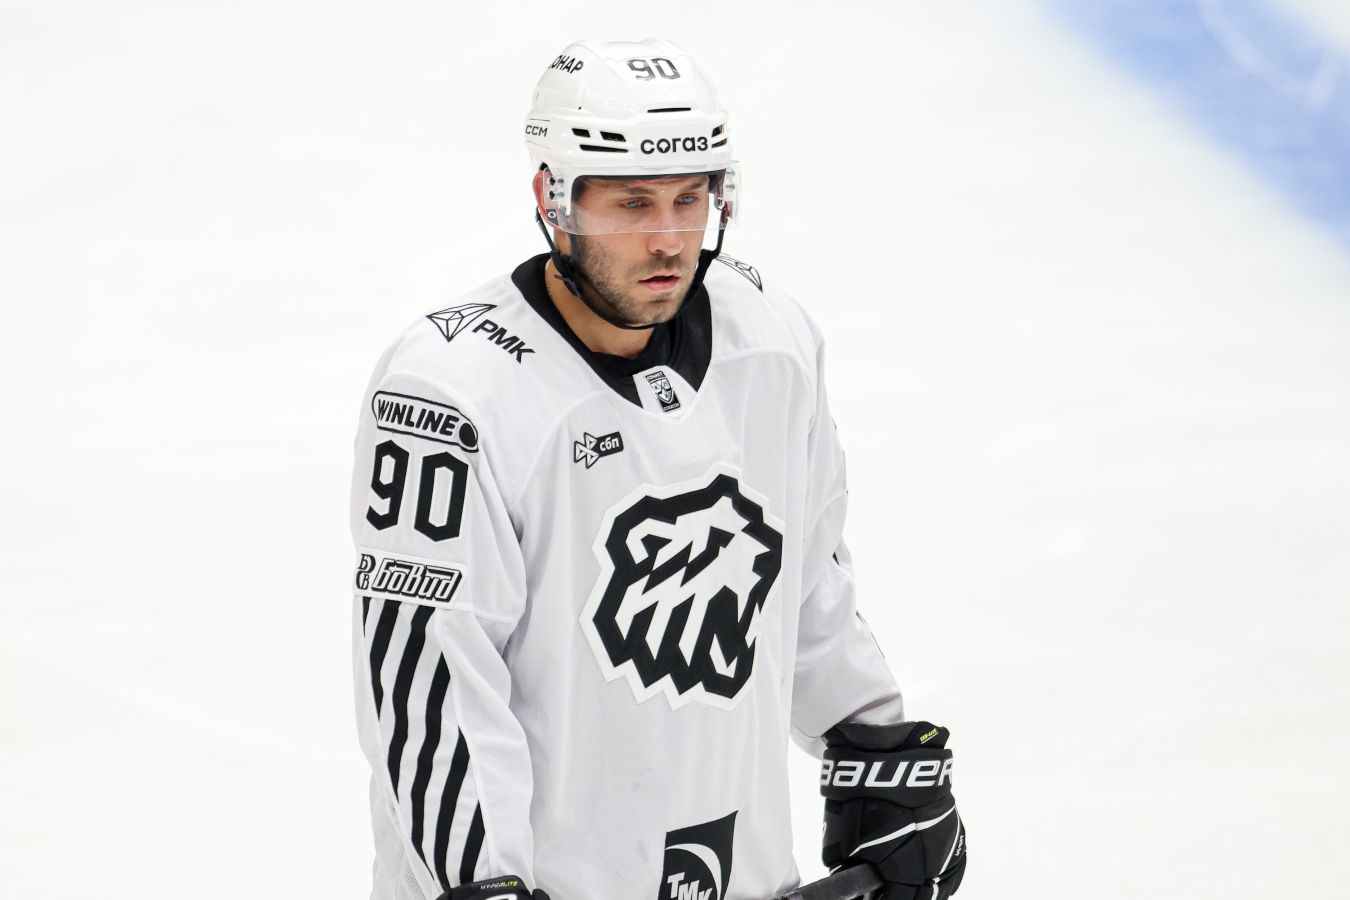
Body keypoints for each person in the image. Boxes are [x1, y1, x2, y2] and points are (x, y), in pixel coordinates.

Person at [349, 37, 966, 900]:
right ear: (553, 199)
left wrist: (877, 748)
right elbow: (431, 677)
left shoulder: (771, 342)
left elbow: (809, 583)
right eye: (632, 203)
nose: (669, 239)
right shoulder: (452, 394)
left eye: (689, 198)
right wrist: (479, 885)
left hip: (744, 873)